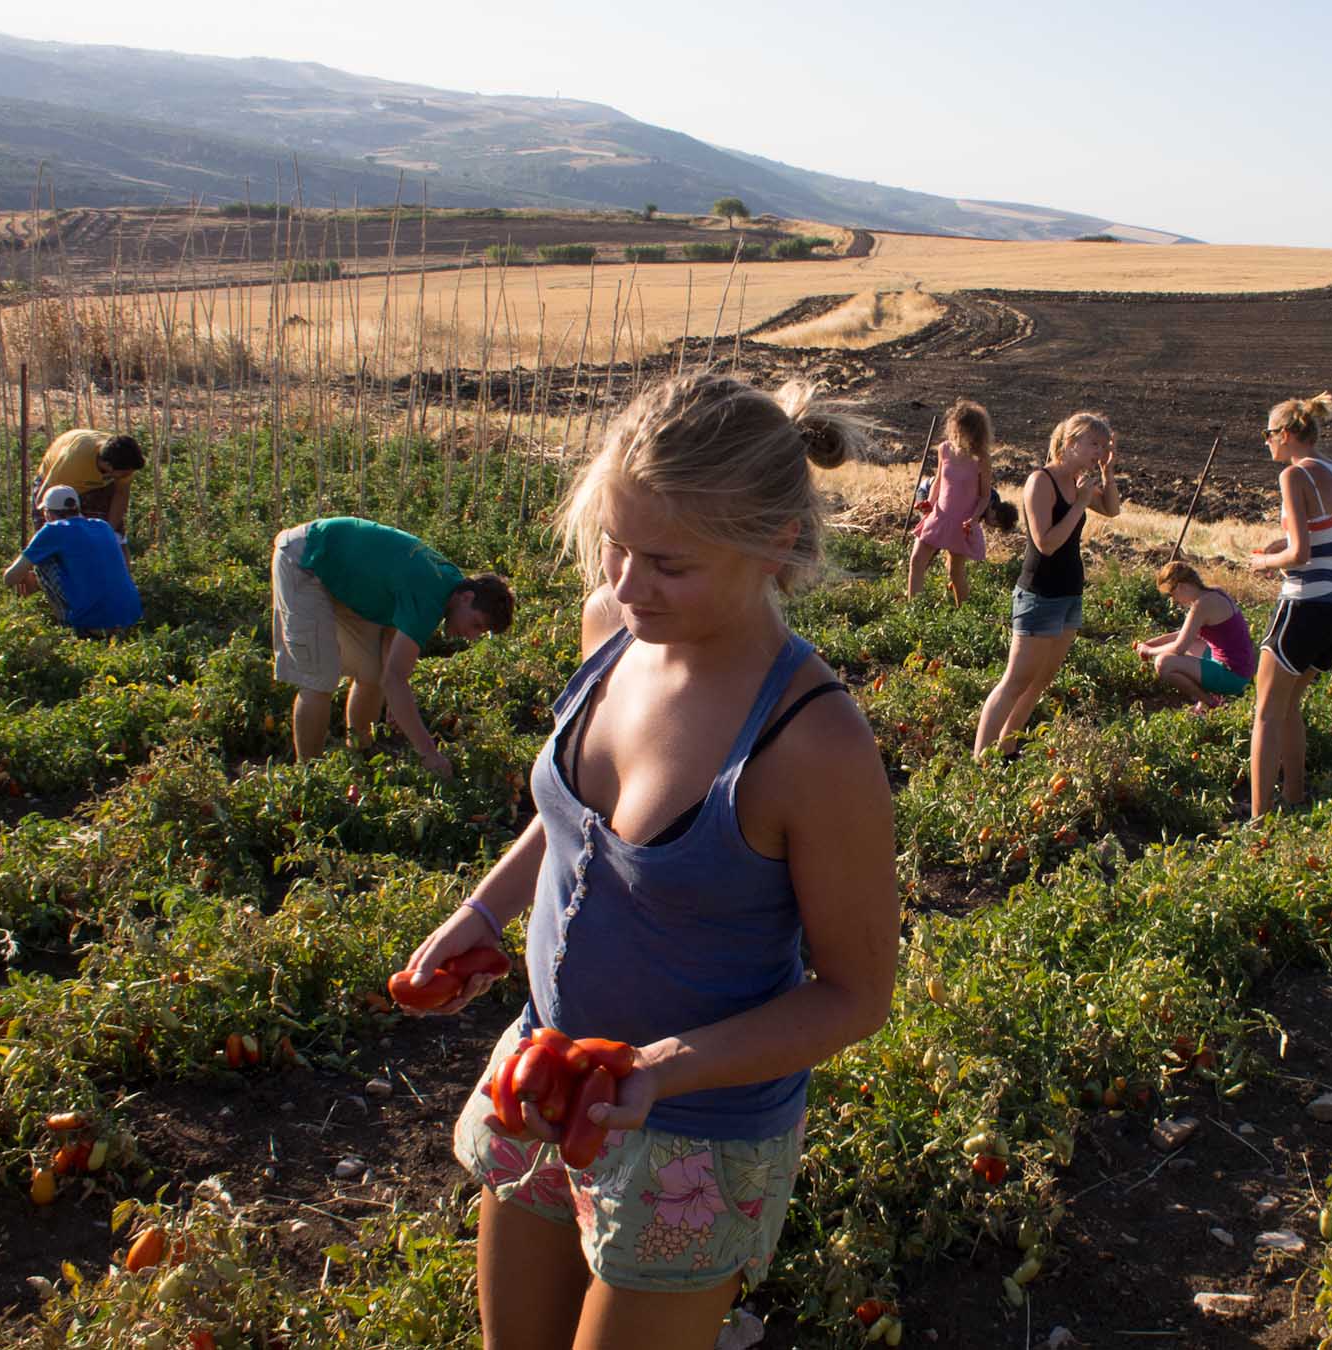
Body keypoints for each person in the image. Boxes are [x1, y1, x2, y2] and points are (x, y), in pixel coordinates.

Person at [394, 373, 898, 1350]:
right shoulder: (613, 632)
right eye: (615, 548)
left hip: (693, 1133)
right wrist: (482, 914)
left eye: (666, 563)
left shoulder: (811, 743)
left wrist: (663, 1070)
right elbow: (575, 825)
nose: (626, 586)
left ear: (776, 545)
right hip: (545, 1069)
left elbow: (854, 995)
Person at [270, 516, 513, 777]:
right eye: (476, 624)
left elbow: (392, 629)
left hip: (338, 573)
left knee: (373, 673)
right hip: (305, 560)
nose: (472, 636)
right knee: (319, 678)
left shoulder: (449, 582)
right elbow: (396, 678)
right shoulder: (431, 597)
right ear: (467, 597)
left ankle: (359, 755)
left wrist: (396, 699)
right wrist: (429, 754)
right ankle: (309, 777)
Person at [974, 410, 1122, 758]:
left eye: (1103, 446)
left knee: (1039, 682)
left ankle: (1007, 750)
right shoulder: (1042, 481)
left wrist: (1108, 473)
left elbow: (1113, 509)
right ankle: (980, 760)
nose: (1098, 452)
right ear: (1070, 443)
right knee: (1015, 682)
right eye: (1093, 445)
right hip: (1040, 594)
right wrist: (1081, 504)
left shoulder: (1078, 482)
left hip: (1069, 594)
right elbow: (1046, 543)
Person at [1246, 392, 1332, 819]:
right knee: (1290, 706)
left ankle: (1258, 821)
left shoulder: (1294, 477)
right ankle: (1295, 799)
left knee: (1266, 715)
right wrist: (1293, 536)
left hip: (1304, 607)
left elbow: (1299, 556)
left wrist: (1265, 561)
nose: (1267, 442)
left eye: (1270, 433)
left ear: (1290, 434)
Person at [2, 485, 141, 636]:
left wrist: (26, 576)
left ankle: (67, 627)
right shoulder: (103, 526)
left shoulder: (52, 530)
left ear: (47, 513)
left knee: (41, 561)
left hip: (93, 622)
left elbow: (10, 578)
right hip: (130, 618)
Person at [1133, 560, 1257, 712]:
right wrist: (1152, 644)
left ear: (1180, 587)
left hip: (1233, 676)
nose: (1174, 601)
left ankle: (1209, 703)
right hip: (1242, 668)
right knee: (1191, 644)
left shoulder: (1201, 605)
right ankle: (1211, 697)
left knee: (1163, 663)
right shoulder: (1214, 593)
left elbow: (1178, 648)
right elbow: (1184, 635)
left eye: (1172, 594)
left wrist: (1149, 651)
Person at [908, 399, 997, 606]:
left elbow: (985, 496)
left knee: (955, 572)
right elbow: (939, 480)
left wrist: (974, 519)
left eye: (961, 429)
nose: (955, 433)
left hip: (963, 523)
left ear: (973, 431)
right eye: (954, 427)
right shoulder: (945, 449)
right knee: (916, 561)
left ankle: (962, 615)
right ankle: (914, 612)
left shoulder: (981, 459)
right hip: (938, 516)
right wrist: (928, 504)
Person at [32, 429, 145, 541]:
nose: (128, 475)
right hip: (57, 482)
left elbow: (120, 496)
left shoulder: (124, 459)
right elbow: (42, 502)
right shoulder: (73, 462)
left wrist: (107, 534)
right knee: (54, 537)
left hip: (97, 484)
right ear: (108, 465)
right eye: (126, 473)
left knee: (115, 537)